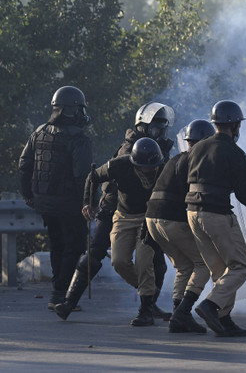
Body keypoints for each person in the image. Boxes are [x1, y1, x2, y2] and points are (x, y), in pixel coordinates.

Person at [54, 102, 174, 320]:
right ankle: (69, 303)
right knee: (95, 254)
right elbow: (103, 178)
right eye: (156, 129)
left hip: (143, 211)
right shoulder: (131, 150)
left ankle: (148, 305)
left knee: (157, 261)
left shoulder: (158, 148)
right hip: (115, 208)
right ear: (144, 127)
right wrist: (91, 204)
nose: (161, 134)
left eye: (163, 129)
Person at [186, 100, 246, 337]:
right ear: (236, 125)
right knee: (240, 266)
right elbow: (245, 195)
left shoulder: (197, 148)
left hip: (193, 213)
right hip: (216, 214)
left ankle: (223, 320)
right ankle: (210, 305)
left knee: (220, 270)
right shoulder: (235, 152)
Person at [75, 138, 165, 326]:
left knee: (143, 260)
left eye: (153, 167)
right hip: (123, 217)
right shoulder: (119, 165)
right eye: (144, 168)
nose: (149, 171)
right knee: (119, 261)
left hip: (149, 218)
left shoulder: (163, 169)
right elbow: (93, 177)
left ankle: (145, 310)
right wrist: (88, 202)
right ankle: (147, 291)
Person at [18, 86, 92, 310]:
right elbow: (83, 176)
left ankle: (57, 293)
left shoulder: (38, 132)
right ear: (72, 110)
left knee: (58, 246)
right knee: (74, 247)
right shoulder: (79, 138)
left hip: (45, 203)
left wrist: (28, 195)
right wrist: (88, 202)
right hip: (70, 204)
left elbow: (24, 166)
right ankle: (61, 295)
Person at [146, 119, 215, 334]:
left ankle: (178, 316)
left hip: (152, 221)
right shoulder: (198, 162)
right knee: (204, 263)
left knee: (185, 267)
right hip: (171, 220)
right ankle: (183, 312)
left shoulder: (176, 158)